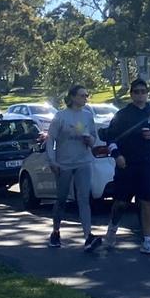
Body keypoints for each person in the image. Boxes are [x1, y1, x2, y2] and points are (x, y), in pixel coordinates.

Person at [104, 79, 150, 254]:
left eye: (143, 91)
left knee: (147, 200)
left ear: (147, 93)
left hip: (147, 163)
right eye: (137, 91)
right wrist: (117, 155)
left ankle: (147, 240)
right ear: (132, 94)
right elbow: (110, 138)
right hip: (126, 164)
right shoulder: (122, 114)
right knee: (121, 202)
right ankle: (112, 228)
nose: (140, 94)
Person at [47, 85, 102, 252]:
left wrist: (90, 141)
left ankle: (88, 236)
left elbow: (93, 137)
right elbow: (50, 140)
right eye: (82, 95)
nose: (85, 98)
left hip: (83, 162)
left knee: (84, 198)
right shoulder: (61, 116)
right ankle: (56, 231)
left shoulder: (87, 115)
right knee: (62, 199)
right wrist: (52, 161)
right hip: (64, 163)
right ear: (72, 97)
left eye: (87, 95)